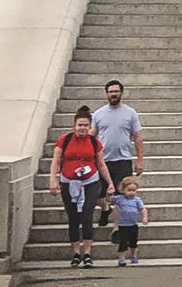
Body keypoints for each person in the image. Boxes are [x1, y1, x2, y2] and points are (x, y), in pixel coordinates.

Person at [48, 105, 114, 267]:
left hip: (90, 182)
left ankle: (88, 253)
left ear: (90, 127)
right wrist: (53, 179)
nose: (82, 128)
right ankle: (76, 253)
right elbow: (56, 161)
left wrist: (110, 183)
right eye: (80, 125)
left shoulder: (94, 142)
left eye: (86, 125)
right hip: (69, 182)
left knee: (86, 216)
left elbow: (100, 163)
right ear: (74, 126)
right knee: (73, 218)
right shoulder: (65, 140)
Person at [93, 79, 144, 228]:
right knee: (98, 195)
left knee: (122, 196)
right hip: (103, 161)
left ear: (121, 93)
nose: (113, 94)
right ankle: (105, 209)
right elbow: (91, 136)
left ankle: (118, 229)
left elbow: (138, 137)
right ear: (106, 94)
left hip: (123, 160)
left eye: (116, 91)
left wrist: (140, 160)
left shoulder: (130, 113)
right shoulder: (98, 114)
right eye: (111, 92)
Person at [112, 176, 149, 267]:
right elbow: (109, 199)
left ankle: (133, 255)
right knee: (123, 242)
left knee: (133, 242)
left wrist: (144, 218)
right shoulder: (120, 199)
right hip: (123, 225)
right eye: (129, 190)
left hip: (133, 224)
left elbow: (143, 209)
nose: (131, 192)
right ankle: (121, 258)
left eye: (134, 190)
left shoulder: (137, 200)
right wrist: (109, 193)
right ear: (123, 190)